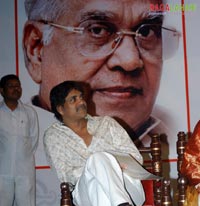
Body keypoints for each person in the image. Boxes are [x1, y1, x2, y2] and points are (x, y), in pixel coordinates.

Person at [43, 80, 155, 206]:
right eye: (73, 99)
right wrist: (101, 165)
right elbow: (65, 174)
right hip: (83, 192)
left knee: (100, 185)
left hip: (127, 186)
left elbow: (135, 158)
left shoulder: (107, 123)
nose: (81, 102)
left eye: (81, 97)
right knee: (97, 164)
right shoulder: (53, 136)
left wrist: (113, 165)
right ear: (60, 108)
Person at [23, 0, 180, 143]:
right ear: (36, 49)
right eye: (97, 30)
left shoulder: (179, 137)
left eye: (147, 32)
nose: (130, 61)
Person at [0, 74, 43, 206]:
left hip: (25, 171)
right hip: (2, 171)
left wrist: (21, 159)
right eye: (11, 86)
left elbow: (33, 140)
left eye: (18, 86)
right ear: (2, 91)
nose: (16, 89)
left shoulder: (29, 113)